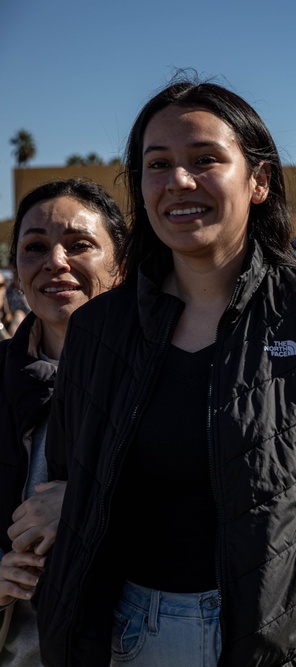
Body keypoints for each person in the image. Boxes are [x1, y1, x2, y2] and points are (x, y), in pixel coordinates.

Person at [33, 80, 296, 667]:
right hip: (140, 636)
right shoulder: (98, 330)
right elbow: (72, 477)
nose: (180, 181)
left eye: (205, 160)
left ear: (259, 181)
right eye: (158, 165)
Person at [0, 179, 127, 666]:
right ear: (17, 270)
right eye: (35, 247)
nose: (56, 261)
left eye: (79, 245)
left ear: (122, 265)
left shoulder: (171, 378)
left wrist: (85, 505)